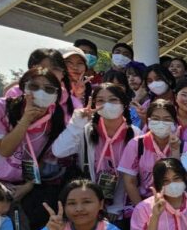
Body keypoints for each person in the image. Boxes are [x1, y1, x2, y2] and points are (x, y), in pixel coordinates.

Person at [0, 66, 72, 230]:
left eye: (48, 89)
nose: (40, 93)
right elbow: (4, 151)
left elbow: (45, 158)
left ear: (56, 95)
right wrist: (26, 118)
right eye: (34, 87)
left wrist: (28, 185)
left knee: (9, 229)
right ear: (23, 88)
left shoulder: (57, 119)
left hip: (16, 184)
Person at [52, 82, 134, 222]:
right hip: (87, 205)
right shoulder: (85, 130)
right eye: (100, 100)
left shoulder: (135, 135)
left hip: (120, 208)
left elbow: (129, 176)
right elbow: (59, 151)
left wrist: (116, 206)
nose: (107, 104)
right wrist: (77, 123)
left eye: (113, 99)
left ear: (124, 104)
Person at [119, 99, 187, 206]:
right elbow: (129, 181)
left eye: (167, 119)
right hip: (142, 201)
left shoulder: (186, 148)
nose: (161, 123)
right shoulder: (135, 144)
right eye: (156, 119)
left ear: (174, 123)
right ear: (148, 121)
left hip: (173, 202)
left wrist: (175, 151)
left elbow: (180, 181)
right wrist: (141, 209)